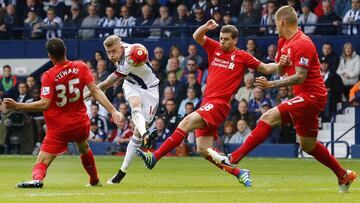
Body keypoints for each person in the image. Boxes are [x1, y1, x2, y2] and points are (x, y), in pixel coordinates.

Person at [207, 6, 357, 193]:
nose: (274, 26)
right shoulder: (283, 41)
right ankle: (343, 175)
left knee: (268, 117)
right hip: (303, 96)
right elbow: (281, 70)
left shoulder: (302, 43)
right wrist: (281, 66)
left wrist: (272, 85)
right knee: (307, 145)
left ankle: (233, 158)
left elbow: (300, 77)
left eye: (275, 22)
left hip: (313, 96)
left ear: (282, 22)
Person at [136, 20, 283, 187]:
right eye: (220, 38)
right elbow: (197, 36)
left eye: (226, 39)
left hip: (219, 104)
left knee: (185, 122)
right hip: (208, 103)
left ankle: (154, 156)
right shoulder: (215, 48)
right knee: (203, 149)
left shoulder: (242, 56)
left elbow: (266, 68)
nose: (222, 42)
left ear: (235, 40)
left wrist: (281, 64)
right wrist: (206, 27)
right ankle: (239, 172)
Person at [2, 38, 123, 188]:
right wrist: (113, 111)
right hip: (80, 123)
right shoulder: (81, 67)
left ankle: (37, 179)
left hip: (58, 127)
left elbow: (44, 104)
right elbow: (95, 90)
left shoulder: (48, 75)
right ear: (65, 50)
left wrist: (17, 106)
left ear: (49, 56)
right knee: (84, 147)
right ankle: (94, 180)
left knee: (42, 161)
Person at [83, 35, 159, 185]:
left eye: (114, 51)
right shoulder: (121, 47)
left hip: (151, 89)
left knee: (136, 134)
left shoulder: (130, 59)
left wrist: (83, 97)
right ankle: (145, 134)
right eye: (108, 52)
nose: (111, 55)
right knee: (135, 104)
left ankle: (122, 170)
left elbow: (106, 84)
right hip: (131, 84)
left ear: (121, 48)